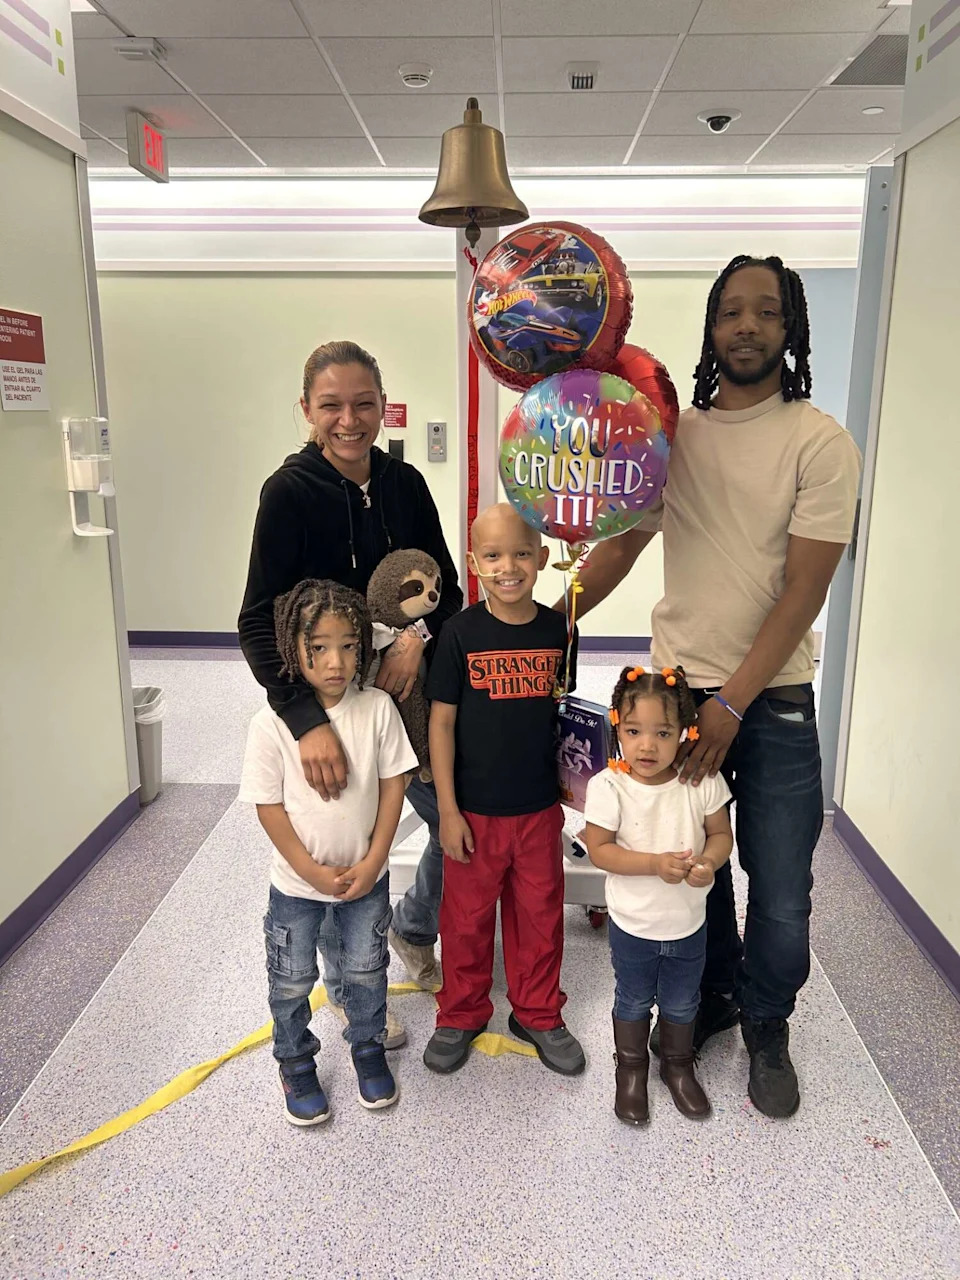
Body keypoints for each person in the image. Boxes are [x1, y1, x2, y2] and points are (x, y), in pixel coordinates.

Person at [566, 256, 861, 1117]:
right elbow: (622, 539)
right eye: (730, 311)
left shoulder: (820, 442)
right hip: (672, 699)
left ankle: (769, 1023)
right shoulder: (673, 436)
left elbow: (806, 588)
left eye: (765, 312)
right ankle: (721, 993)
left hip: (768, 703)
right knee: (698, 868)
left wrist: (731, 703)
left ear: (789, 329)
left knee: (780, 887)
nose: (745, 326)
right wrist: (556, 617)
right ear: (711, 328)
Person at [238, 341, 462, 1025]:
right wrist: (306, 722)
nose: (349, 419)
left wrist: (416, 644)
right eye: (331, 405)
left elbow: (444, 588)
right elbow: (255, 620)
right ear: (307, 410)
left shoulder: (406, 485)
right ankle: (349, 985)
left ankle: (414, 926)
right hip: (330, 706)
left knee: (461, 823)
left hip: (407, 696)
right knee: (347, 850)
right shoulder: (288, 493)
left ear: (382, 405)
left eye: (364, 403)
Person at [239, 580, 418, 1123]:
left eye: (347, 645)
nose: (335, 661)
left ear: (363, 646)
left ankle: (366, 1049)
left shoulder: (379, 708)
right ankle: (295, 1064)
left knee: (366, 971)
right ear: (293, 648)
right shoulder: (271, 723)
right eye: (318, 647)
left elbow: (395, 785)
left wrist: (374, 860)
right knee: (291, 980)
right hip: (297, 888)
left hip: (367, 881)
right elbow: (268, 806)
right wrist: (310, 871)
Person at [422, 504, 585, 1077]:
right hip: (473, 811)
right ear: (474, 564)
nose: (507, 566)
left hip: (539, 810)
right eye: (492, 556)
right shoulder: (459, 634)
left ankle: (537, 1012)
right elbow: (440, 723)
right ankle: (461, 1013)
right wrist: (447, 809)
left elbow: (565, 718)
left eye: (520, 553)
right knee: (464, 920)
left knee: (539, 917)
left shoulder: (559, 629)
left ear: (542, 559)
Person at [583, 666, 733, 1125]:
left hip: (688, 924)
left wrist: (708, 863)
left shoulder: (700, 781)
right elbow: (600, 851)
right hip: (633, 927)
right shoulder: (608, 786)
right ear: (617, 728)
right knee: (631, 1000)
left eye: (662, 732)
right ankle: (630, 1069)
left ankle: (678, 1065)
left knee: (683, 1002)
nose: (647, 745)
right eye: (634, 731)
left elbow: (721, 835)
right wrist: (654, 864)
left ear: (685, 733)